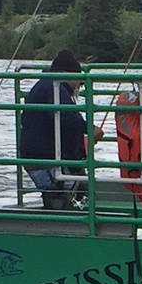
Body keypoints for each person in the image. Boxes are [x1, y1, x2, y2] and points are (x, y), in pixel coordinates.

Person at [18, 51, 90, 208]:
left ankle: (56, 203)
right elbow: (68, 120)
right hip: (48, 159)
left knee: (57, 194)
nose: (78, 86)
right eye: (79, 81)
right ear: (69, 74)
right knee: (72, 193)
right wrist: (90, 129)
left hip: (32, 155)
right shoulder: (56, 88)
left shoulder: (42, 85)